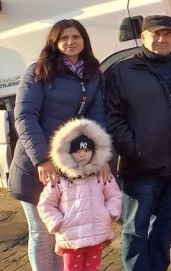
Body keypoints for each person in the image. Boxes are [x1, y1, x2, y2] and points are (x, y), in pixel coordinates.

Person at [105, 15, 171, 271]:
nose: (162, 39)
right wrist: (134, 149)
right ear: (143, 37)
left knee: (165, 225)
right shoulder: (123, 71)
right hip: (141, 169)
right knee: (135, 229)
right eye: (155, 34)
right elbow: (112, 117)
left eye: (168, 34)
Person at [11, 19, 107, 271]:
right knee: (42, 231)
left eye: (75, 36)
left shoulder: (92, 75)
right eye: (63, 37)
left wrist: (100, 160)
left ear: (84, 40)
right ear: (54, 42)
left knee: (62, 231)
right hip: (34, 165)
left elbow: (97, 120)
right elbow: (24, 116)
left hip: (70, 167)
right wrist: (42, 159)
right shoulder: (38, 71)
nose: (70, 42)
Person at [36, 118, 122, 271]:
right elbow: (45, 204)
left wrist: (109, 213)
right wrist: (57, 222)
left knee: (92, 268)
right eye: (77, 151)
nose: (83, 154)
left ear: (94, 151)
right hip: (71, 237)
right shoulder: (59, 179)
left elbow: (114, 195)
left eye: (87, 150)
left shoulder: (100, 175)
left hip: (96, 235)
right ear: (68, 152)